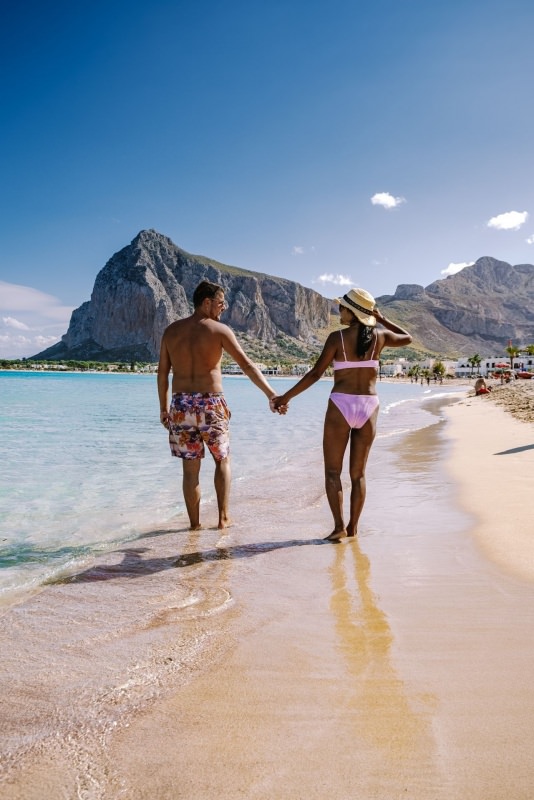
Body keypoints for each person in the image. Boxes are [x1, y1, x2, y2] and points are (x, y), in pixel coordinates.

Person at [272, 287, 412, 541]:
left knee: (332, 472)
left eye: (342, 307)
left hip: (341, 405)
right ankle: (353, 529)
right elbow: (407, 338)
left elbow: (315, 374)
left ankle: (338, 528)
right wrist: (380, 320)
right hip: (369, 406)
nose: (339, 311)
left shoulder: (337, 339)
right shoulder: (379, 337)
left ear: (352, 311)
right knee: (358, 475)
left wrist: (285, 398)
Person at [157, 280, 283, 531]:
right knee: (222, 460)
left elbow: (162, 373)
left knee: (190, 469)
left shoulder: (171, 331)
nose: (223, 307)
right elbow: (247, 366)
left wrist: (163, 408)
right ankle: (223, 519)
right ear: (207, 302)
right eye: (221, 302)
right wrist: (272, 395)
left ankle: (194, 525)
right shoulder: (220, 331)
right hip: (211, 403)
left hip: (180, 405)